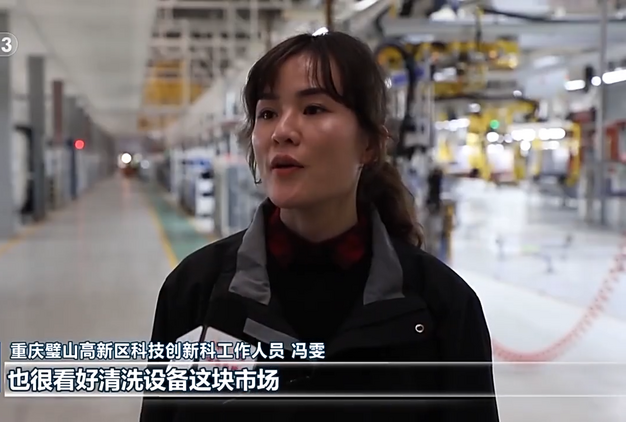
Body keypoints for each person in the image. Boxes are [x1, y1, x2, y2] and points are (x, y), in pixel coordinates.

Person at [140, 31, 499, 422]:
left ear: (369, 145)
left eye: (313, 109)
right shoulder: (195, 292)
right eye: (267, 113)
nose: (282, 131)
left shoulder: (441, 308)